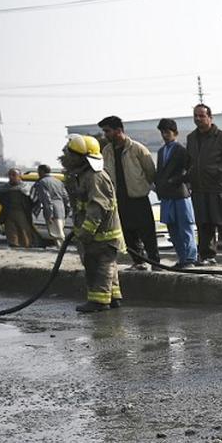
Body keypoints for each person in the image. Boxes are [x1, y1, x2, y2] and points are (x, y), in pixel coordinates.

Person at [60, 134, 123, 313]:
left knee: (99, 266)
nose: (68, 157)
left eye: (71, 154)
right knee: (108, 266)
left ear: (82, 157)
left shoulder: (94, 177)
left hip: (101, 235)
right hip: (100, 234)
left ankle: (99, 301)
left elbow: (97, 208)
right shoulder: (86, 175)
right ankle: (113, 297)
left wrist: (86, 233)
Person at [99, 116, 159, 270]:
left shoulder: (137, 148)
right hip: (119, 199)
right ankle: (139, 262)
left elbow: (150, 172)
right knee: (127, 233)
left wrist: (140, 186)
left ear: (119, 130)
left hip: (138, 198)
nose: (105, 134)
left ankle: (155, 262)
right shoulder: (107, 151)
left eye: (108, 131)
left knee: (147, 232)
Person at [186, 104, 222, 266]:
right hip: (199, 188)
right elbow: (189, 161)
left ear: (210, 117)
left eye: (201, 116)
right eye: (195, 116)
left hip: (219, 188)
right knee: (204, 224)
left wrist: (220, 174)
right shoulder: (191, 138)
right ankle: (207, 255)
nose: (198, 119)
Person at [155, 118, 198, 268]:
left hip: (180, 194)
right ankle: (181, 258)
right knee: (172, 229)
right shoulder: (161, 152)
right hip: (167, 196)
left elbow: (191, 170)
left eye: (167, 132)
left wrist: (178, 180)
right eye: (162, 132)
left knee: (185, 227)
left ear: (175, 133)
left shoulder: (181, 150)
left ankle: (190, 259)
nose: (164, 135)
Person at [0, 168, 39, 248]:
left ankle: (26, 247)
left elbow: (33, 200)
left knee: (24, 233)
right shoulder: (3, 188)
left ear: (19, 176)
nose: (11, 177)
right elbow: (1, 199)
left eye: (14, 175)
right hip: (8, 213)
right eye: (10, 175)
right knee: (11, 233)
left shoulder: (26, 187)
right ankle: (14, 247)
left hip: (23, 213)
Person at [30, 164, 70, 244]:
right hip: (61, 209)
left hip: (52, 210)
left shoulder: (42, 182)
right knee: (59, 232)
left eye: (39, 171)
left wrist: (49, 215)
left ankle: (61, 251)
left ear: (42, 171)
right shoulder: (58, 181)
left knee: (57, 234)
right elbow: (66, 197)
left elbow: (46, 200)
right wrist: (66, 210)